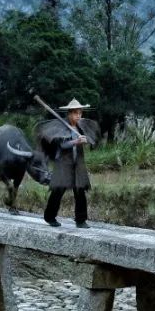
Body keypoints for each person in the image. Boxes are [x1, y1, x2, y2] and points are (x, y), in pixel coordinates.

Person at [40, 98, 96, 228]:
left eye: (80, 113)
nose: (78, 116)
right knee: (58, 191)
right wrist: (76, 141)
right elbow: (62, 145)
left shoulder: (80, 127)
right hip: (64, 164)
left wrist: (86, 140)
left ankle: (81, 220)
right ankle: (49, 217)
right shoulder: (62, 128)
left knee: (80, 191)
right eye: (76, 113)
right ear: (69, 114)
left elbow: (89, 139)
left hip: (78, 164)